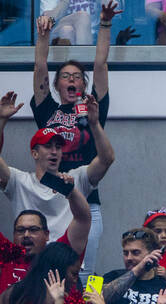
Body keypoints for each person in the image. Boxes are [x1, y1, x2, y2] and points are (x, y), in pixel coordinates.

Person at [31, 3, 114, 278]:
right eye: (65, 76)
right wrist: (44, 36)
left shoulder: (91, 109)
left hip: (88, 199)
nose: (71, 80)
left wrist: (104, 24)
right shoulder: (48, 110)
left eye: (77, 77)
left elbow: (101, 64)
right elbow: (40, 66)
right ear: (56, 85)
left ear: (82, 85)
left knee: (87, 273)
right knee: (49, 271)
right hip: (51, 200)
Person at [0, 94, 113, 247]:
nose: (54, 151)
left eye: (58, 147)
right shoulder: (19, 181)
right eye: (48, 146)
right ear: (35, 153)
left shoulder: (76, 178)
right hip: (28, 262)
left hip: (64, 262)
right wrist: (1, 120)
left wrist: (94, 124)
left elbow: (107, 159)